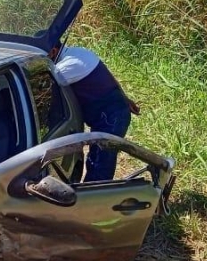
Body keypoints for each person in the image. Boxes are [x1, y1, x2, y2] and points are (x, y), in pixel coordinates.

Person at [48, 40, 140, 182]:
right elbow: (108, 74)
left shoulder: (67, 66)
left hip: (111, 117)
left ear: (53, 51)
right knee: (99, 159)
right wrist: (124, 98)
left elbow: (45, 89)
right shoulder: (80, 53)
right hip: (115, 111)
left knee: (100, 163)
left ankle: (94, 200)